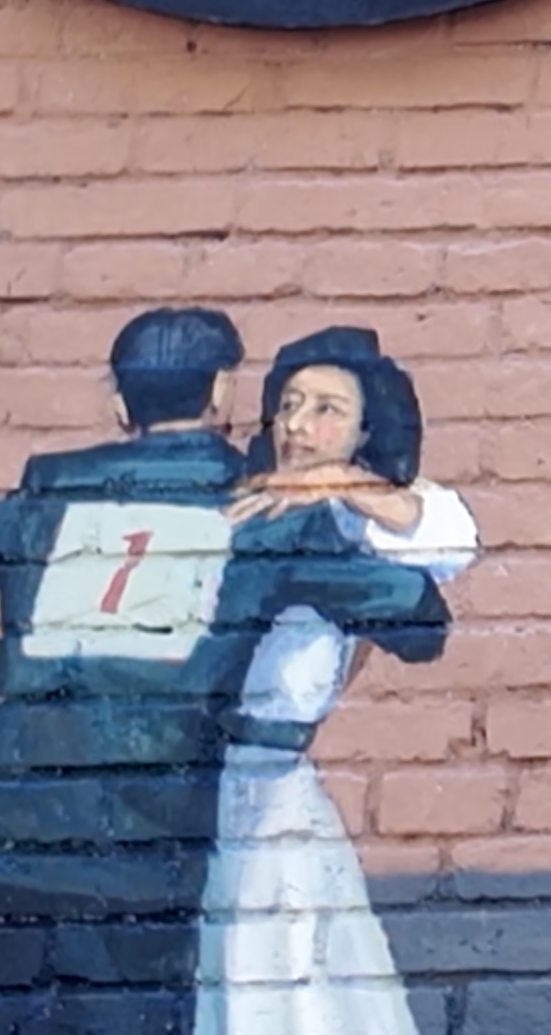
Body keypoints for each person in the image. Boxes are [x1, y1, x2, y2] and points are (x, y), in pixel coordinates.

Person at [0, 307, 453, 1035]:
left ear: (119, 402)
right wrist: (341, 492)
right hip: (143, 867)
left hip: (6, 855)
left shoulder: (46, 501)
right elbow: (418, 618)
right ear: (222, 393)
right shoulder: (267, 512)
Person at [194, 328, 480, 1035]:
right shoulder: (243, 503)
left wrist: (340, 483)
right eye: (289, 405)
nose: (297, 426)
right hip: (209, 776)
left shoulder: (350, 518)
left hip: (277, 783)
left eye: (326, 410)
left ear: (365, 432)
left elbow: (449, 537)